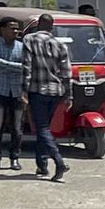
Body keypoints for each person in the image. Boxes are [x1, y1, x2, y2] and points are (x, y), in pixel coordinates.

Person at [21, 14, 72, 181]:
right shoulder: (60, 44)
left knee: (42, 128)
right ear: (52, 26)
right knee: (45, 129)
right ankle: (42, 165)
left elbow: (26, 67)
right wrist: (68, 95)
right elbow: (67, 73)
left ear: (38, 25)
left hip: (38, 90)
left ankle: (59, 161)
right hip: (55, 91)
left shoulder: (29, 39)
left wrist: (24, 91)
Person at [0, 17, 26, 170]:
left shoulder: (22, 47)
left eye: (17, 28)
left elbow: (25, 67)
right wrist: (13, 66)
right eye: (12, 28)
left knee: (17, 127)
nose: (15, 31)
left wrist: (2, 62)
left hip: (18, 92)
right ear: (2, 30)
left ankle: (15, 157)